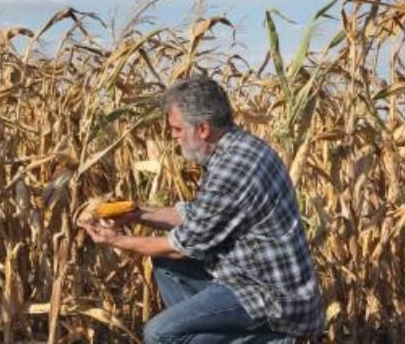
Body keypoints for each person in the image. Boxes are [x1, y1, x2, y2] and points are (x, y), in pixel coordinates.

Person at [81, 76, 324, 343]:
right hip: (244, 275)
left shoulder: (233, 170)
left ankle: (272, 338)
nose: (173, 137)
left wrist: (117, 240)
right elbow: (197, 216)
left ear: (203, 129)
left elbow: (180, 246)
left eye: (176, 129)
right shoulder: (237, 148)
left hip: (270, 296)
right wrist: (138, 213)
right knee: (167, 266)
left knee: (159, 333)